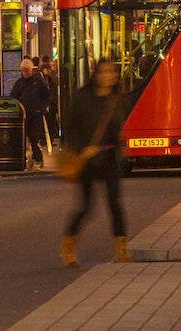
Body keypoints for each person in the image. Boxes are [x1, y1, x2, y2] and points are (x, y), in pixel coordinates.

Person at [61, 59, 131, 268]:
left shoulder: (119, 98)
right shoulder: (82, 98)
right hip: (87, 161)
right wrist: (83, 148)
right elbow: (70, 128)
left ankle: (121, 250)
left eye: (111, 72)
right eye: (103, 72)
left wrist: (121, 147)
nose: (107, 76)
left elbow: (119, 127)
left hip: (110, 158)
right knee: (85, 206)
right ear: (96, 75)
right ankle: (68, 247)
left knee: (115, 204)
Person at [11, 58, 55, 170]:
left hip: (35, 114)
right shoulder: (19, 83)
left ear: (31, 69)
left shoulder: (38, 82)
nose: (25, 73)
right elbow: (13, 97)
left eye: (27, 70)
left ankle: (38, 160)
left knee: (34, 138)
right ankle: (25, 160)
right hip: (23, 115)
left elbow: (47, 95)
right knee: (22, 139)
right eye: (23, 70)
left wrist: (42, 108)